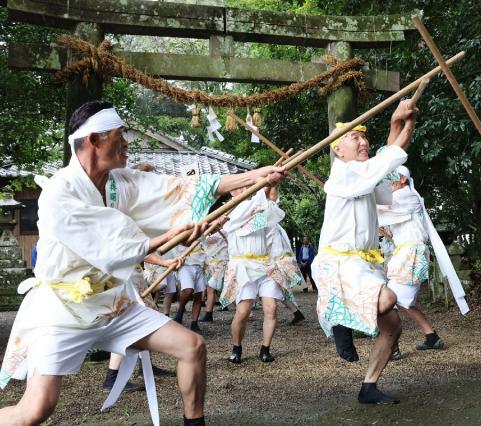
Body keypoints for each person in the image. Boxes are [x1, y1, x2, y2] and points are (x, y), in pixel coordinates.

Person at [0, 100, 286, 425]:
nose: (127, 143)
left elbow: (177, 187)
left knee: (192, 347)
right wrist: (170, 237)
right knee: (35, 410)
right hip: (63, 310)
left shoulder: (118, 182)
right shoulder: (59, 192)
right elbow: (106, 243)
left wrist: (254, 177)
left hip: (113, 303)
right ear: (95, 140)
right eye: (120, 136)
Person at [312, 100, 417, 405]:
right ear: (338, 150)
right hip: (340, 263)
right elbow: (385, 160)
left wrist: (403, 123)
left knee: (393, 326)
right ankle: (337, 315)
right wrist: (400, 124)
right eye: (354, 138)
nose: (362, 141)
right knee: (387, 299)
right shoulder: (343, 174)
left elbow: (387, 160)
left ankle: (368, 387)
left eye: (364, 137)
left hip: (364, 263)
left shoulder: (365, 174)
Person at [378, 166, 469, 360]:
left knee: (390, 302)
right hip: (406, 253)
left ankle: (392, 346)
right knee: (404, 302)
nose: (388, 183)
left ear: (402, 179)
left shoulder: (406, 196)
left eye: (391, 179)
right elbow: (390, 221)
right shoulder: (401, 199)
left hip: (411, 254)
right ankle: (431, 336)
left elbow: (379, 208)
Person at [219, 186, 286, 364]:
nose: (244, 189)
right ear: (231, 191)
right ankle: (236, 347)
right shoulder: (229, 212)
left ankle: (265, 348)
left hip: (264, 265)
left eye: (248, 185)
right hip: (243, 266)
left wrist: (272, 182)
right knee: (243, 311)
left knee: (271, 308)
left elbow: (273, 203)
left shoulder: (262, 208)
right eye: (239, 186)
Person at [266, 188, 306, 325]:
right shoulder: (258, 210)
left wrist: (273, 182)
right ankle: (296, 312)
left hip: (274, 258)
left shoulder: (269, 210)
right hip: (269, 258)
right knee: (278, 289)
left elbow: (272, 196)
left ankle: (276, 316)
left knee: (276, 288)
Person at [200, 231, 229, 322]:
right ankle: (209, 314)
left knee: (213, 287)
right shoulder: (207, 234)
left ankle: (209, 314)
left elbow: (209, 241)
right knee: (213, 288)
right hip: (210, 266)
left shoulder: (223, 232)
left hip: (222, 265)